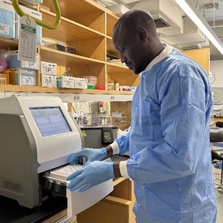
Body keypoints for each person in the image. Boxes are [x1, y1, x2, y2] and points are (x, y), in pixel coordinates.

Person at [66, 10, 217, 223]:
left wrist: (112, 169)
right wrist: (105, 151)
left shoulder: (181, 76)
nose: (122, 59)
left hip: (182, 210)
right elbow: (142, 131)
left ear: (142, 35)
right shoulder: (148, 74)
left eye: (123, 49)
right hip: (152, 207)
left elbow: (180, 156)